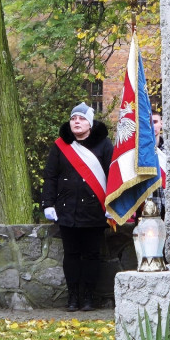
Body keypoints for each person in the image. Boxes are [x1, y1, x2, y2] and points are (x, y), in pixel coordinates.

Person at [41, 103, 113, 312]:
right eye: (73, 118)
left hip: (94, 211)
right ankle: (73, 297)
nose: (76, 122)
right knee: (71, 255)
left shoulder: (104, 145)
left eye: (81, 119)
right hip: (67, 211)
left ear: (89, 123)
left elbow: (113, 175)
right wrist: (48, 203)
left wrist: (113, 203)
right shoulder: (60, 146)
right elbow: (50, 176)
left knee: (92, 255)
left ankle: (89, 297)